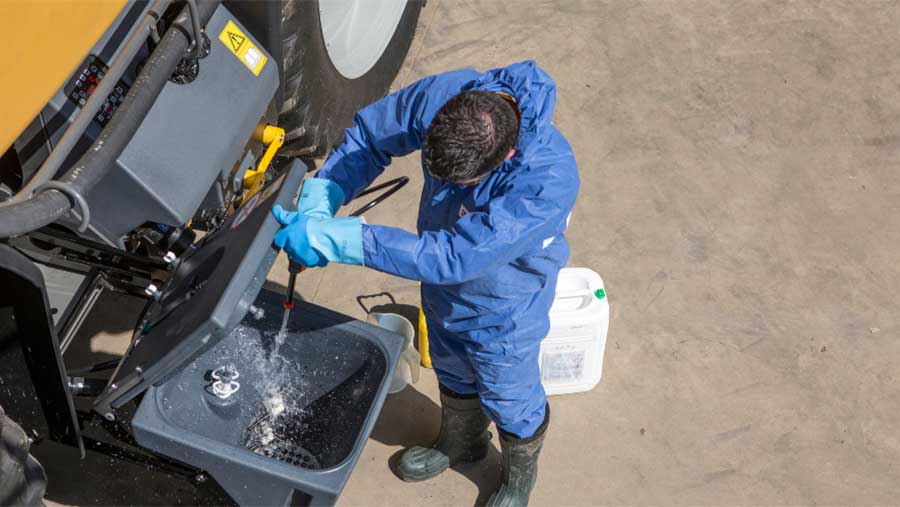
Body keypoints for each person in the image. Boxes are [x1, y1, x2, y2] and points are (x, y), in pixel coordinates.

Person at [271, 60, 579, 506]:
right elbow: (372, 136)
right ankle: (461, 442)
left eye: (461, 183)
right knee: (451, 365)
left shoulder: (545, 181)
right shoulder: (449, 94)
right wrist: (327, 194)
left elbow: (453, 256)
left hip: (503, 305)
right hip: (440, 288)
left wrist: (344, 240)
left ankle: (516, 476)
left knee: (508, 392)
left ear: (505, 157)